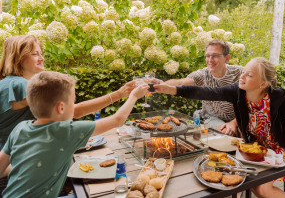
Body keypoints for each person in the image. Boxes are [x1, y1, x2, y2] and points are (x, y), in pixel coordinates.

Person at [154, 57, 285, 198]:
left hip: (279, 150)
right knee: (243, 182)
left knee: (261, 187)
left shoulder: (278, 98)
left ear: (263, 83)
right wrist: (173, 89)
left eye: (250, 75)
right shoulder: (238, 92)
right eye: (243, 72)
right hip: (253, 149)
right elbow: (208, 92)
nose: (242, 77)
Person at [0, 71, 149, 197]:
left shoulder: (20, 128)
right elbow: (118, 119)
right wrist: (134, 96)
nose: (75, 105)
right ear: (61, 107)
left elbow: (1, 170)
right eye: (74, 101)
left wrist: (27, 166)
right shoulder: (66, 131)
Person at [0, 35, 136, 150]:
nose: (41, 58)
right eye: (35, 54)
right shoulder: (20, 85)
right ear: (18, 58)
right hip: (15, 165)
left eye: (41, 53)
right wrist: (118, 94)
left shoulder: (8, 82)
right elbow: (73, 112)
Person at [165, 39, 243, 136]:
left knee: (242, 132)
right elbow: (180, 82)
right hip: (211, 117)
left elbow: (252, 104)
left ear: (227, 58)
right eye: (207, 56)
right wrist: (161, 85)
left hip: (237, 117)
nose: (210, 60)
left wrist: (234, 123)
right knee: (225, 132)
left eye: (215, 56)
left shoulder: (240, 73)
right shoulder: (202, 74)